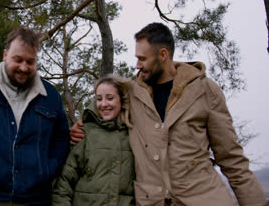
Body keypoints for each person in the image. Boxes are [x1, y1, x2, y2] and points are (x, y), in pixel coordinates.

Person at [70, 23, 266, 206]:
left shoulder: (205, 90)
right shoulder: (130, 93)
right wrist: (82, 126)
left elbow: (231, 158)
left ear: (163, 55)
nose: (137, 65)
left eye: (142, 58)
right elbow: (102, 108)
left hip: (205, 198)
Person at [0, 26, 70, 205]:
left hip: (37, 201)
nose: (24, 67)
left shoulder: (51, 95)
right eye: (18, 60)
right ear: (5, 55)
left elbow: (61, 139)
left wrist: (47, 171)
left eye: (30, 62)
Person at [52, 74, 135, 206]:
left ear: (122, 100)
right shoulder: (85, 134)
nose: (103, 104)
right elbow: (63, 185)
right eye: (99, 99)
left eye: (110, 98)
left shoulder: (134, 135)